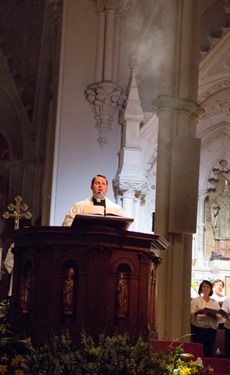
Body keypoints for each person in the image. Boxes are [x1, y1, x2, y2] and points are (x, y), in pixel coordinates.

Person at [191, 280, 221, 357]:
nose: (206, 288)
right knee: (198, 350)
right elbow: (191, 313)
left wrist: (210, 313)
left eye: (208, 287)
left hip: (210, 329)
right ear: (201, 288)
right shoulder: (196, 300)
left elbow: (219, 316)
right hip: (198, 329)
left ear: (211, 289)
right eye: (204, 286)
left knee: (209, 351)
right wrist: (200, 312)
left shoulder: (214, 302)